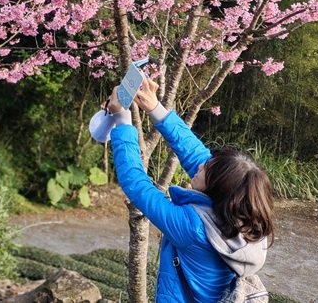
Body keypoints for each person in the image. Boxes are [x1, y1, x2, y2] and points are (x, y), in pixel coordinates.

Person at [105, 76, 274, 303]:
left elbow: (136, 184)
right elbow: (195, 153)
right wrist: (154, 107)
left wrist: (121, 118)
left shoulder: (193, 227)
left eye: (207, 169)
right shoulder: (247, 220)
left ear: (217, 187)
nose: (201, 164)